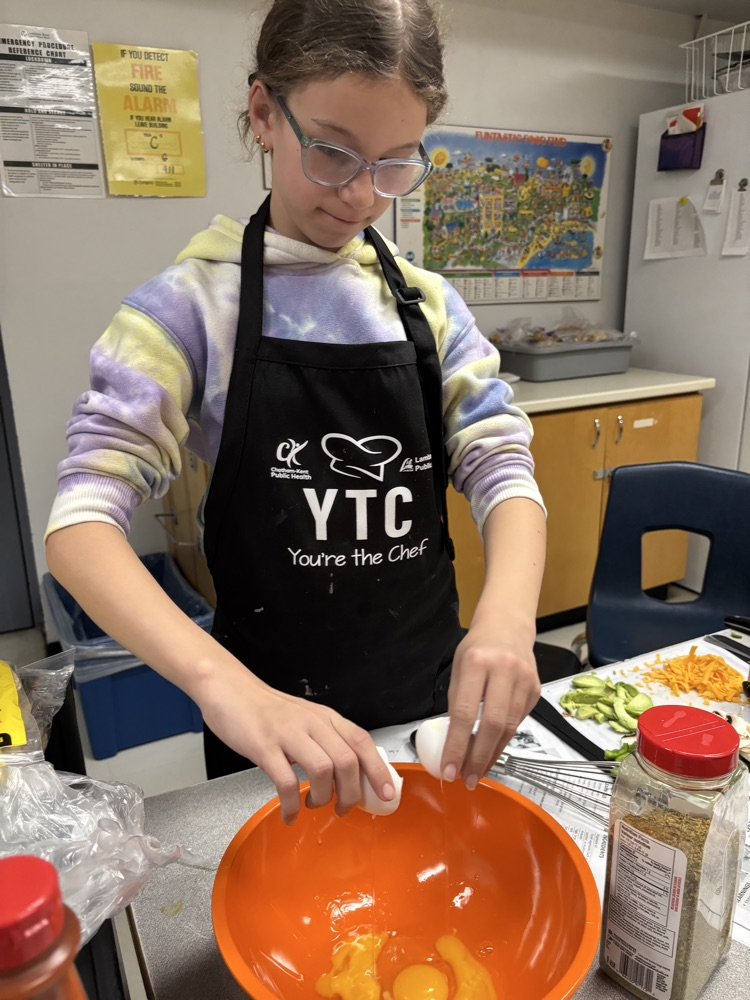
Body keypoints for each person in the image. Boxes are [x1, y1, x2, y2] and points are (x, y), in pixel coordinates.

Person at [45, 0, 546, 825]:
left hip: (425, 700)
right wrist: (225, 687)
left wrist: (507, 618)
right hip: (271, 725)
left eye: (394, 164)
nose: (360, 195)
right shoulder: (192, 311)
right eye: (332, 152)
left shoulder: (426, 305)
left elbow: (504, 468)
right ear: (261, 114)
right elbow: (78, 529)